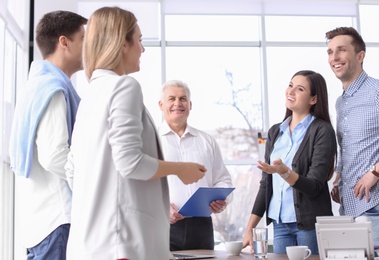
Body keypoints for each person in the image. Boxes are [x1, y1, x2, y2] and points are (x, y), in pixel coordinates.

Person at [64, 7, 205, 260]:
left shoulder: (90, 97)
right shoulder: (124, 86)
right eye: (139, 40)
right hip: (122, 244)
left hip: (91, 245)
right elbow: (130, 163)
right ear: (122, 44)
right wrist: (180, 169)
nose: (143, 49)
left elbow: (71, 170)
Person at [8, 11, 86, 260]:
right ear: (64, 42)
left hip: (40, 219)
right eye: (83, 39)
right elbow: (54, 156)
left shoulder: (36, 84)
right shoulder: (53, 89)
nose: (89, 46)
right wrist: (92, 179)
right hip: (57, 218)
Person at [326, 27, 379, 256]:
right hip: (350, 208)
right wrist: (339, 177)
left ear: (360, 56)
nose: (334, 58)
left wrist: (376, 171)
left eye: (341, 50)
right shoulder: (341, 102)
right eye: (330, 52)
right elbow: (350, 145)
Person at [242, 70, 337, 254]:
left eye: (300, 89)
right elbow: (265, 184)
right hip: (279, 225)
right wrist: (249, 229)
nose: (290, 91)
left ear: (313, 99)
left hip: (310, 225)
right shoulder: (275, 132)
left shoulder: (322, 130)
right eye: (290, 85)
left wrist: (284, 172)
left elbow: (315, 186)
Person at [158, 79, 233, 251]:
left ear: (190, 105)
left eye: (183, 99)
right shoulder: (151, 140)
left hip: (202, 226)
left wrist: (222, 199)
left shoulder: (207, 141)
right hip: (162, 225)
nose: (178, 103)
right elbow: (140, 185)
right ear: (161, 105)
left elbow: (223, 179)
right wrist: (160, 207)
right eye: (172, 99)